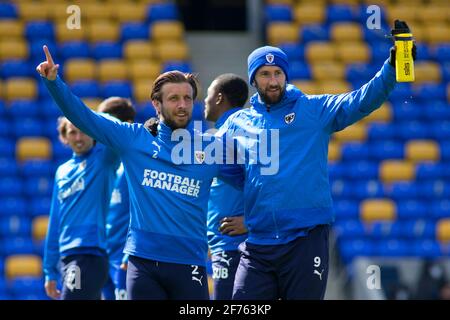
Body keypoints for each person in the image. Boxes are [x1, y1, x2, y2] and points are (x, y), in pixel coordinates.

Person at [217, 21, 416, 300]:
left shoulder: (314, 109)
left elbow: (362, 100)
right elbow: (216, 166)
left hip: (305, 240)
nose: (272, 81)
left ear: (286, 75)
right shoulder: (238, 123)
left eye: (277, 73)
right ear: (253, 79)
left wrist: (393, 68)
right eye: (264, 74)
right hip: (259, 245)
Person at [36, 46, 243, 300]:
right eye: (174, 98)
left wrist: (251, 222)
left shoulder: (212, 149)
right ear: (157, 104)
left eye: (188, 98)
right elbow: (85, 118)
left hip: (190, 265)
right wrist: (53, 83)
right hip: (143, 265)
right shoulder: (135, 139)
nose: (182, 105)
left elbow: (258, 183)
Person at [43, 116, 120, 300]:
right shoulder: (61, 171)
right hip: (67, 258)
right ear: (65, 137)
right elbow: (55, 222)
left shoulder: (103, 160)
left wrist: (88, 115)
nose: (79, 137)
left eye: (84, 131)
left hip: (89, 254)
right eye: (73, 132)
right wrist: (49, 271)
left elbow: (117, 131)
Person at [204, 74, 249, 300]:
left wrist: (251, 221)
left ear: (219, 98)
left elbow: (269, 183)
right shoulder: (225, 134)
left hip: (233, 245)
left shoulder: (229, 136)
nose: (205, 100)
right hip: (224, 244)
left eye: (208, 94)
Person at [97, 98, 136, 300]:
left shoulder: (136, 167)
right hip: (104, 258)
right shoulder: (104, 168)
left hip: (125, 259)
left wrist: (130, 255)